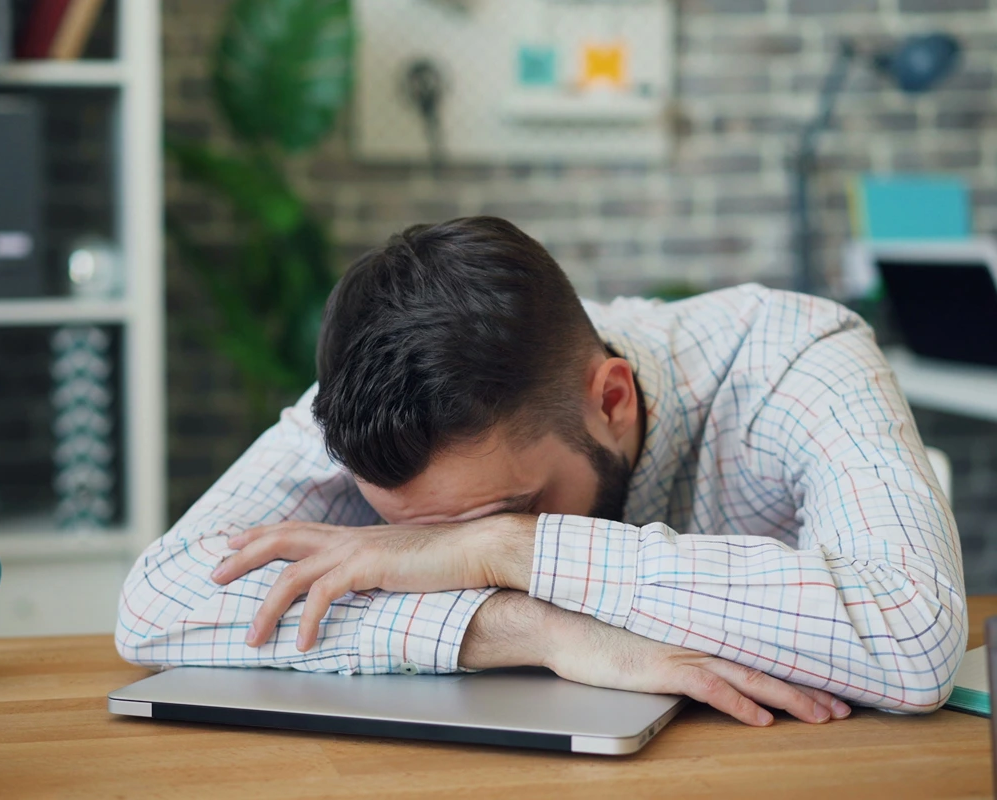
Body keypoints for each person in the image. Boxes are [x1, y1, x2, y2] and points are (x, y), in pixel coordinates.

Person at [117, 216, 966, 727]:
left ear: (612, 399)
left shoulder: (798, 356)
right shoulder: (373, 400)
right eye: (417, 534)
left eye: (500, 510)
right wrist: (531, 630)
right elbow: (156, 603)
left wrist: (505, 550)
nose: (440, 554)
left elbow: (914, 633)